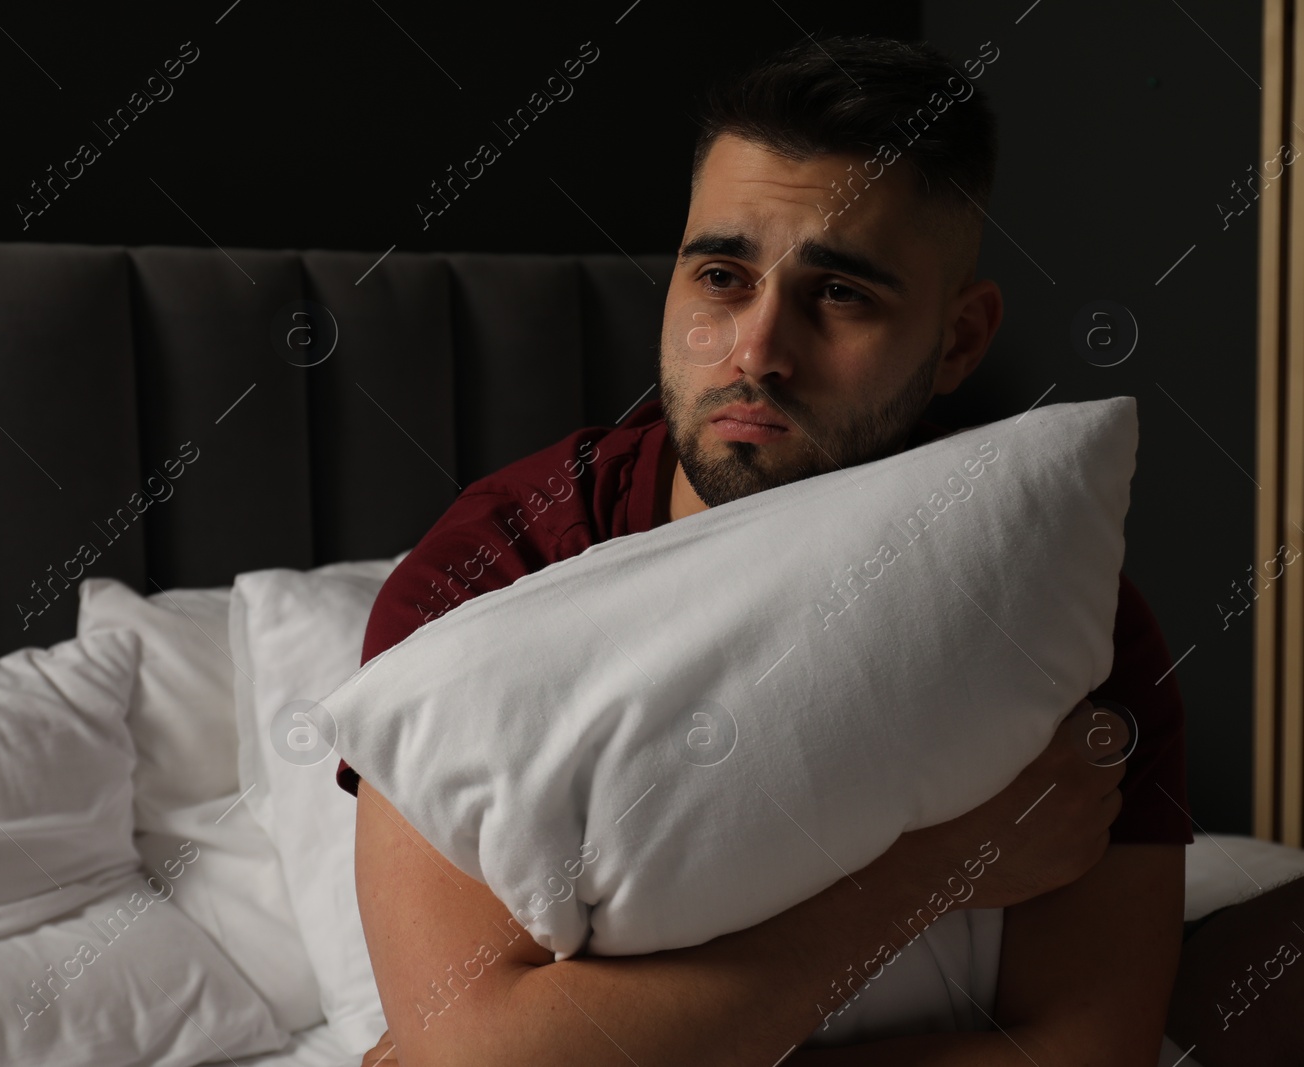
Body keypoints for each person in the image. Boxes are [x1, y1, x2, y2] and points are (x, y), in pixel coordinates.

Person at [345, 35, 1202, 1066]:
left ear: (960, 340)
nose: (756, 349)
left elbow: (1083, 1052)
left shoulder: (1064, 616)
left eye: (840, 293)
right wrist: (936, 867)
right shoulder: (492, 571)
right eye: (720, 275)